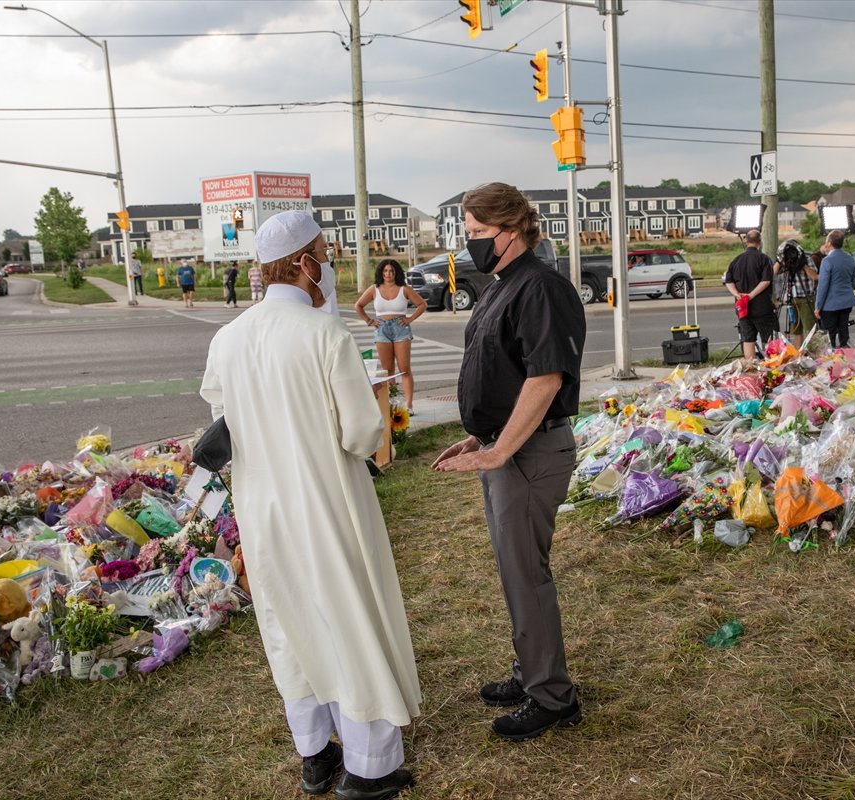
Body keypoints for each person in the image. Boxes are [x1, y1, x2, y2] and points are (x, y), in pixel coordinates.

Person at [200, 210, 420, 800]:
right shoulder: (326, 335)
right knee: (348, 619)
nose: (329, 265)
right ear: (304, 263)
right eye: (325, 254)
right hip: (325, 500)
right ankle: (369, 767)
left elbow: (219, 416)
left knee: (288, 623)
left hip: (261, 505)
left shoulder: (228, 337)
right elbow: (359, 433)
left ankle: (315, 754)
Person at [431, 182, 586, 742]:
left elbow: (545, 380)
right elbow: (507, 374)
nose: (469, 243)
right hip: (506, 449)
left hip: (529, 453)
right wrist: (480, 442)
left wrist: (500, 448)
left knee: (526, 575)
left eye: (476, 233)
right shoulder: (504, 283)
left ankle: (552, 696)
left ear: (511, 229)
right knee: (515, 572)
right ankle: (532, 672)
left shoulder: (541, 287)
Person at [354, 259, 427, 414]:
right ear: (381, 272)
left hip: (401, 329)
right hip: (382, 329)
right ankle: (393, 404)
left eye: (392, 271)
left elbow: (422, 304)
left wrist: (409, 319)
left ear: (396, 273)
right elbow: (358, 305)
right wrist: (369, 321)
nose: (388, 274)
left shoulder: (404, 288)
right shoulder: (374, 289)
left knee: (404, 369)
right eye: (386, 271)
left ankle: (409, 405)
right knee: (388, 371)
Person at [723, 229, 776, 361]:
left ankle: (751, 368)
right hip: (762, 307)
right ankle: (772, 368)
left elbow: (728, 281)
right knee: (770, 339)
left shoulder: (736, 260)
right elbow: (766, 281)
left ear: (746, 241)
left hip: (743, 308)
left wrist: (737, 294)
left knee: (748, 339)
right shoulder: (764, 259)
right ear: (760, 241)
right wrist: (751, 295)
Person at [814, 230, 855, 348]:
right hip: (846, 302)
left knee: (829, 337)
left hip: (830, 305)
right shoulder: (850, 259)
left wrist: (818, 307)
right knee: (844, 333)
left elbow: (823, 286)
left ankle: (831, 362)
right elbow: (852, 282)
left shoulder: (827, 261)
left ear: (829, 243)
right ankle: (846, 359)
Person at [773, 238, 818, 346]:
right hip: (792, 298)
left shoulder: (807, 259)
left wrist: (802, 264)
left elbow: (814, 277)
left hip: (806, 298)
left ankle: (812, 351)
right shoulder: (787, 261)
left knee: (810, 329)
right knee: (796, 330)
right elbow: (774, 272)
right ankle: (799, 353)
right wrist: (781, 259)